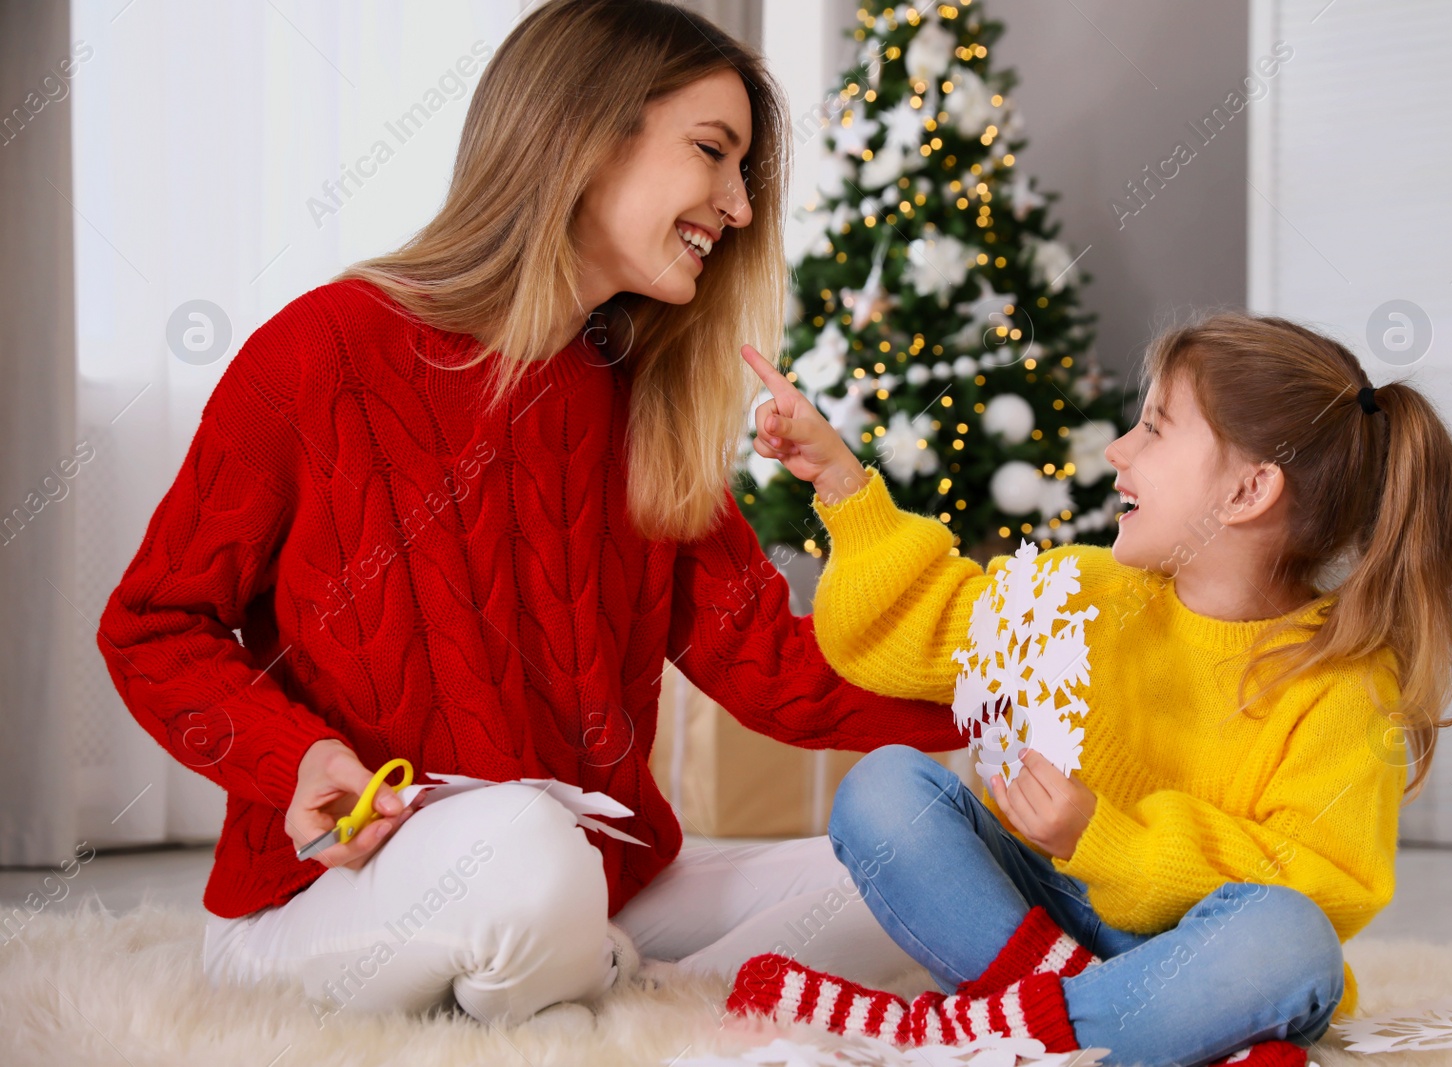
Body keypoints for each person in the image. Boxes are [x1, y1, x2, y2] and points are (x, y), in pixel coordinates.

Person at [96, 0, 965, 1028]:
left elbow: (773, 667)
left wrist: (1021, 691)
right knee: (519, 842)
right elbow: (153, 623)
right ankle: (589, 974)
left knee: (917, 862)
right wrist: (295, 758)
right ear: (585, 135)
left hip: (599, 882)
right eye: (712, 154)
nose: (736, 207)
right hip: (333, 900)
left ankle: (592, 982)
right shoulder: (323, 349)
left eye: (745, 175)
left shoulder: (643, 398)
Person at [724, 313, 1452, 1066]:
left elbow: (1328, 883)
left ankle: (976, 1031)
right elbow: (915, 625)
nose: (1119, 449)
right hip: (1042, 923)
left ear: (1250, 488)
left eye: (1155, 428)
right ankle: (1110, 1023)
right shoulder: (1082, 591)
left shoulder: (1346, 678)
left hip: (1203, 957)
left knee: (1291, 939)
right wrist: (842, 484)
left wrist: (1106, 837)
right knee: (883, 790)